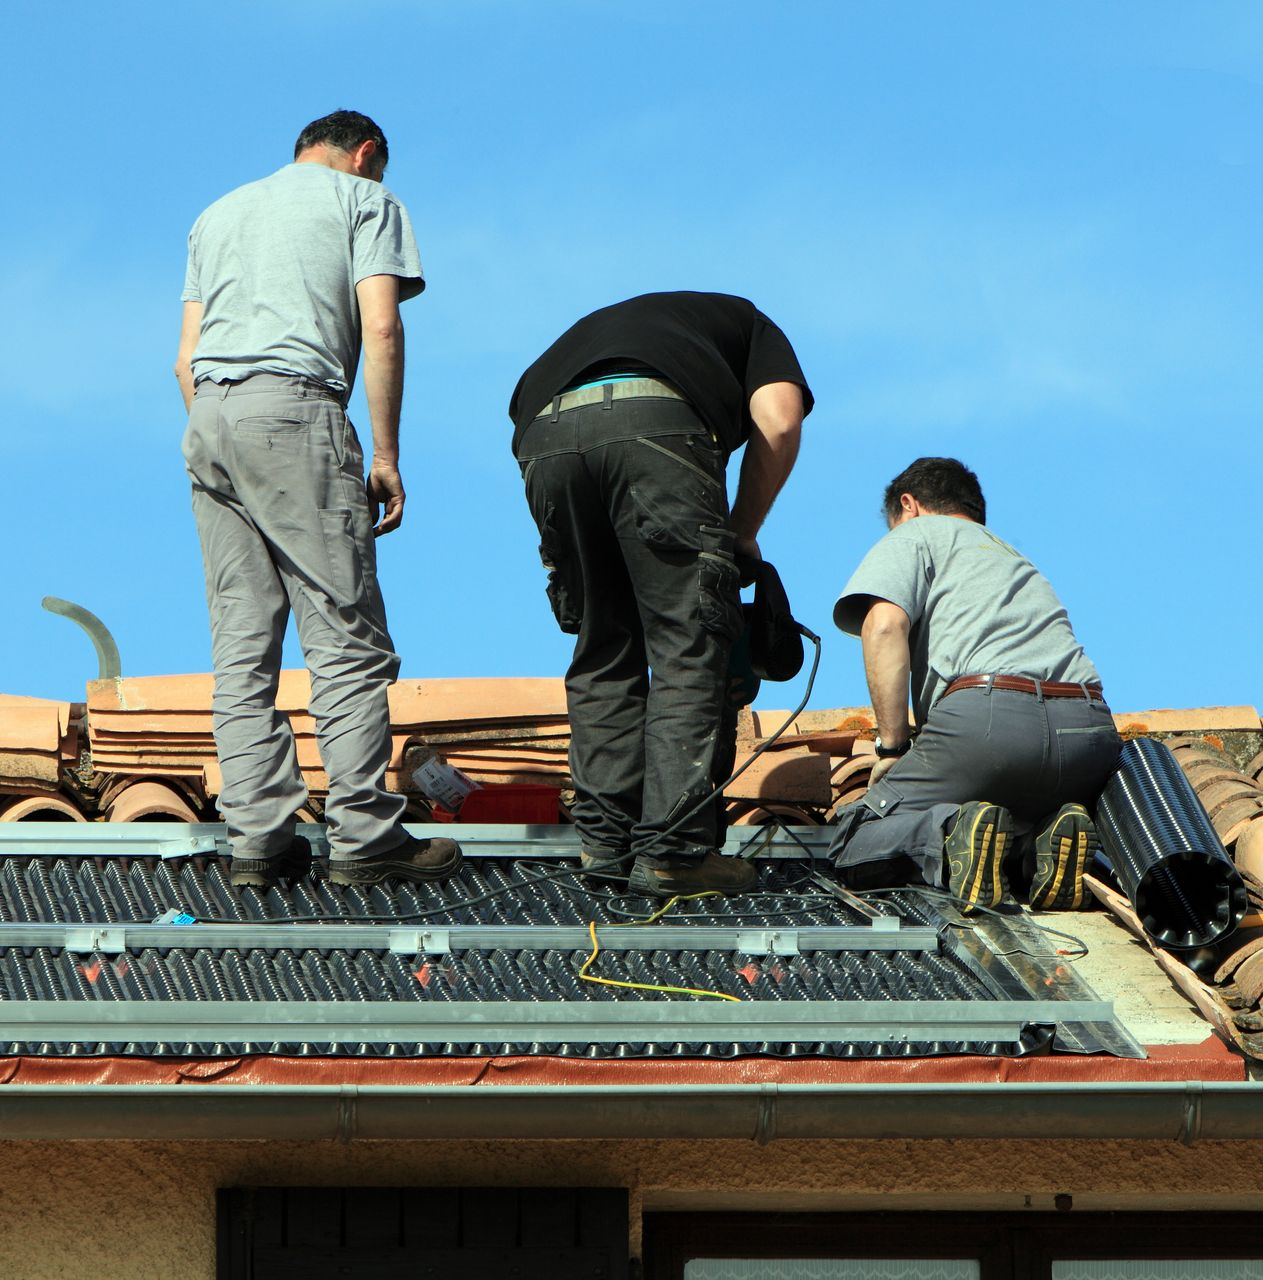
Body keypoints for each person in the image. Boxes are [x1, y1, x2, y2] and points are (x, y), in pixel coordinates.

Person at [174, 110, 461, 889]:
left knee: (242, 646)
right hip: (295, 409)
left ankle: (259, 841)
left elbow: (183, 360)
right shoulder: (365, 202)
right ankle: (366, 838)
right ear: (366, 155)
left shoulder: (218, 213)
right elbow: (383, 327)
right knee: (344, 635)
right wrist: (387, 455)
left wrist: (225, 438)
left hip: (209, 419)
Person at [509, 292, 813, 896]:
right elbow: (779, 418)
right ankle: (674, 852)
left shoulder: (607, 328)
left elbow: (520, 405)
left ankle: (605, 845)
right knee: (687, 641)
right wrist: (741, 530)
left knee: (603, 644)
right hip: (657, 428)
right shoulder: (752, 324)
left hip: (544, 439)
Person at [829, 457, 1120, 912]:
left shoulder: (918, 533)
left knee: (852, 840)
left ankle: (950, 834)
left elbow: (883, 626)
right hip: (1088, 734)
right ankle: (1040, 845)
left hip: (988, 724)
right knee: (1005, 820)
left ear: (910, 505)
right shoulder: (1010, 553)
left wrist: (891, 748)